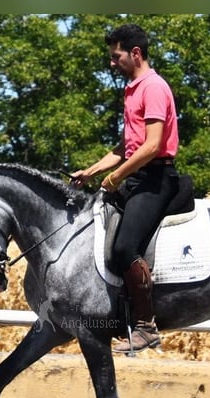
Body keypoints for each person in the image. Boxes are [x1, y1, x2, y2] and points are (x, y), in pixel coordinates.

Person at [70, 23, 180, 354]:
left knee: (124, 248)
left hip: (155, 180)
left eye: (115, 56)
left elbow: (152, 146)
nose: (111, 63)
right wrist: (92, 171)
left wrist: (116, 177)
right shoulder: (133, 88)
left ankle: (146, 327)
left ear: (135, 53)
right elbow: (125, 148)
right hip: (136, 175)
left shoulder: (154, 88)